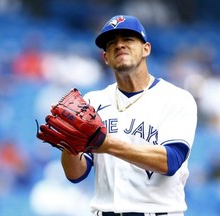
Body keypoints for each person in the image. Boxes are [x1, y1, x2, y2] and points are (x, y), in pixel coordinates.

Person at [61, 15, 197, 216]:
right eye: (111, 43)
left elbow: (170, 161)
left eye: (128, 39)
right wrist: (70, 145)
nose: (119, 45)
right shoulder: (92, 102)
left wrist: (106, 145)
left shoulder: (176, 98)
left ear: (146, 49)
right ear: (105, 57)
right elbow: (75, 174)